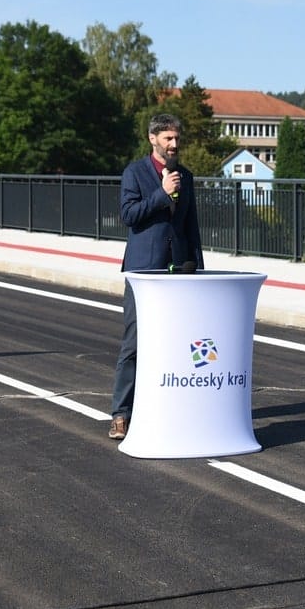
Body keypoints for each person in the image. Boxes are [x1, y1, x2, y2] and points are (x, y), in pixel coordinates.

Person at [109, 112, 204, 440]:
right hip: (143, 272)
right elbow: (129, 215)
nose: (174, 144)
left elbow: (191, 226)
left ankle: (169, 409)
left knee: (177, 343)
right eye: (168, 138)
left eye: (177, 138)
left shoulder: (186, 176)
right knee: (134, 343)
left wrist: (197, 268)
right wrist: (162, 194)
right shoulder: (134, 173)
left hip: (178, 270)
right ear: (153, 139)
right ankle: (121, 414)